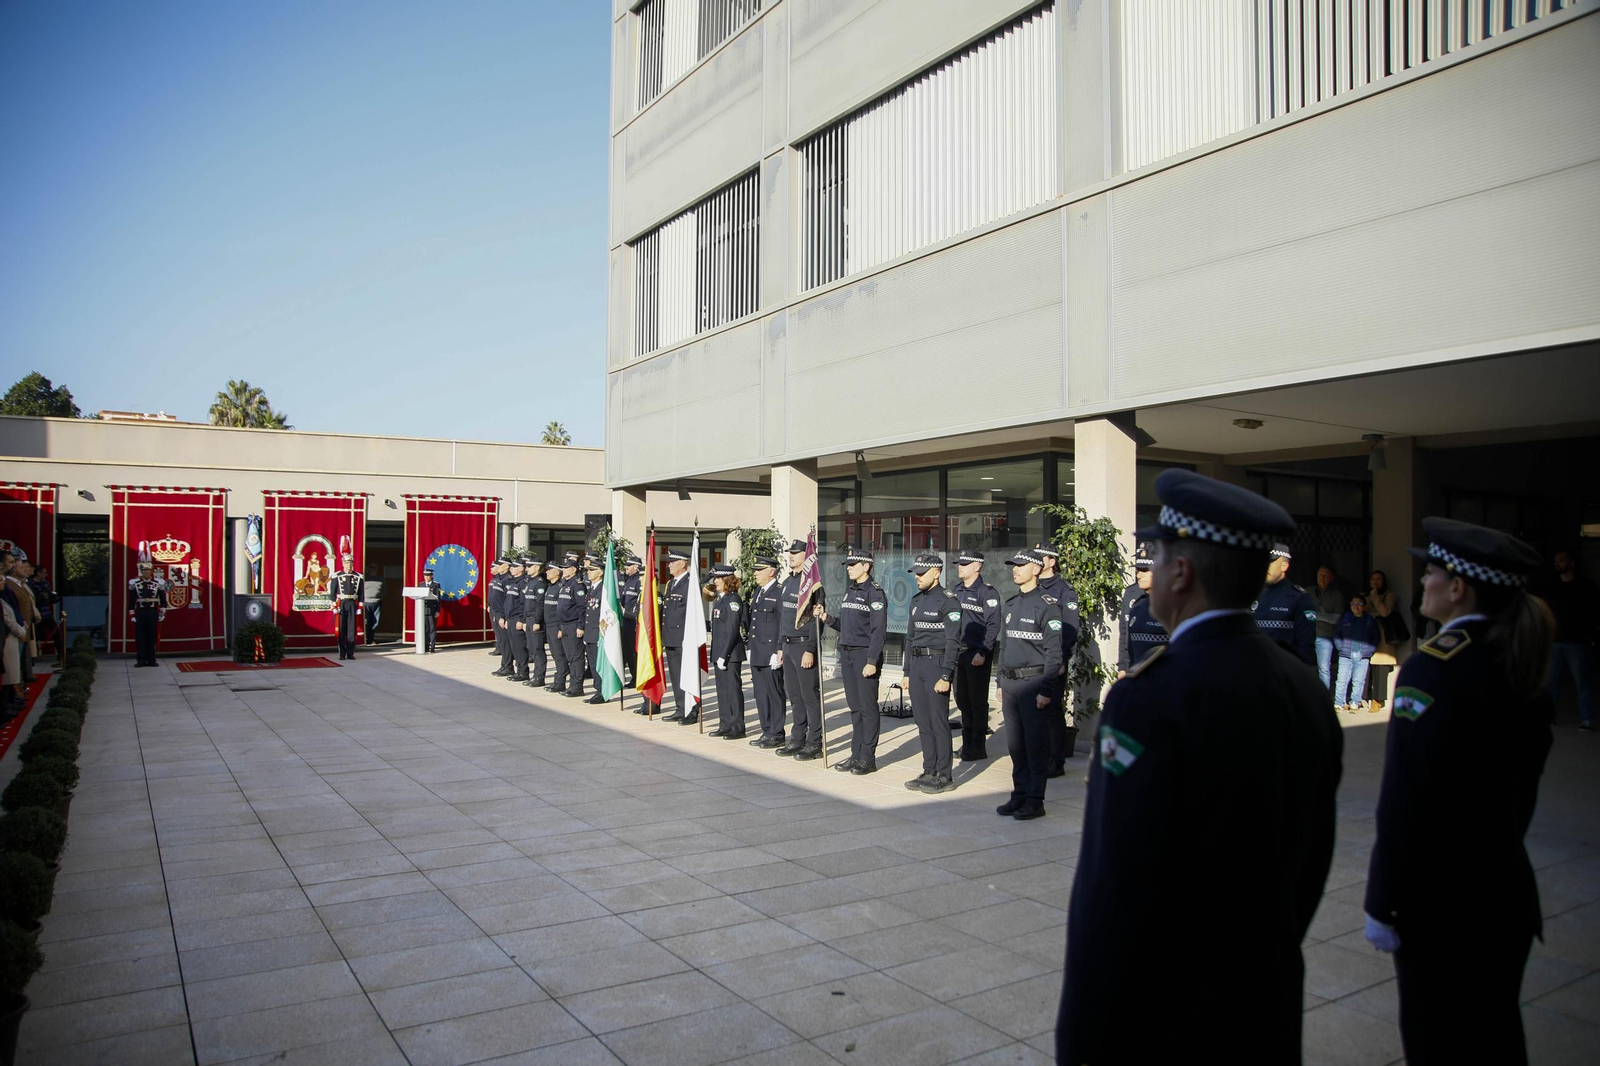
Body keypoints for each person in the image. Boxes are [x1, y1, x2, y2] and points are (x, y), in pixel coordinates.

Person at [1058, 469, 1342, 1063]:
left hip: (1167, 1013)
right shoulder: (1304, 689)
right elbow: (1311, 858)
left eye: (1156, 558)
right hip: (1264, 998)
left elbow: (1113, 886)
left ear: (1181, 573)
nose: (1149, 574)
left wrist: (1083, 1034)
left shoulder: (1149, 698)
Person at [1364, 517, 1554, 1064]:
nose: (1422, 581)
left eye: (1431, 572)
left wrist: (1381, 900)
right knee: (1496, 1037)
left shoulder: (1433, 671)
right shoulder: (1521, 666)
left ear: (1458, 588)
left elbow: (1404, 799)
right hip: (1504, 896)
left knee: (1439, 1044)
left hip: (1442, 910)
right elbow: (1518, 802)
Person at [993, 549, 1064, 819]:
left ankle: (1035, 800)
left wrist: (1046, 689)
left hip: (1033, 684)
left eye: (1021, 565)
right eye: (1014, 565)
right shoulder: (1011, 604)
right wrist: (999, 680)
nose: (1015, 569)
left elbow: (1054, 654)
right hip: (1010, 684)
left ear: (1036, 569)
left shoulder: (1047, 605)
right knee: (1016, 747)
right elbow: (1005, 646)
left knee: (1035, 746)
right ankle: (1019, 794)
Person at [815, 547, 888, 773]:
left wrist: (872, 660)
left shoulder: (874, 593)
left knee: (867, 709)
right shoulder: (850, 590)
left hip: (863, 655)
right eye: (848, 565)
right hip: (846, 654)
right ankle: (855, 754)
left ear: (866, 566)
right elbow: (845, 625)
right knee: (855, 708)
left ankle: (868, 758)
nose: (848, 569)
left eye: (853, 565)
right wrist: (826, 618)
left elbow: (878, 631)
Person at [901, 552, 962, 793]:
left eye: (922, 573)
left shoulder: (948, 601)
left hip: (937, 663)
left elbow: (953, 641)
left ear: (936, 573)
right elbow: (909, 638)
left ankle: (944, 775)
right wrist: (906, 671)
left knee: (938, 722)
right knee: (922, 722)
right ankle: (929, 770)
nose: (917, 577)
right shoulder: (916, 601)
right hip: (917, 665)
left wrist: (947, 675)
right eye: (915, 573)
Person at [1034, 544, 1082, 775]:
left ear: (1052, 561)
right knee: (1035, 712)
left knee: (1052, 710)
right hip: (1032, 660)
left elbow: (1070, 629)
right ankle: (1039, 756)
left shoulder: (1064, 590)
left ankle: (1056, 761)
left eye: (1040, 557)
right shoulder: (1033, 586)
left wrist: (1062, 659)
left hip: (1053, 660)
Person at [952, 550, 999, 762]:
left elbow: (993, 625)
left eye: (965, 564)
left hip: (976, 654)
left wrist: (983, 651)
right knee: (962, 700)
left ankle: (978, 747)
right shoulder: (957, 590)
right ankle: (967, 744)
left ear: (977, 566)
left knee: (977, 702)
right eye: (959, 564)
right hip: (959, 654)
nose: (960, 567)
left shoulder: (987, 593)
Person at [1544, 549, 1596, 730]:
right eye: (1555, 561)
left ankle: (1586, 718)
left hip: (1578, 641)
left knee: (1582, 683)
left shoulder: (1585, 586)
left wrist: (1590, 631)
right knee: (1551, 682)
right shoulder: (1552, 585)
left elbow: (1593, 609)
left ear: (1572, 563)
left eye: (1561, 560)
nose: (1557, 564)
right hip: (1556, 640)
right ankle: (1549, 716)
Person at [778, 539, 822, 754]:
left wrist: (810, 650)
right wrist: (780, 646)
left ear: (807, 556)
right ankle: (797, 738)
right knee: (794, 696)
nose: (791, 556)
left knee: (809, 697)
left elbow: (816, 621)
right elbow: (783, 617)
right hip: (788, 646)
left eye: (796, 553)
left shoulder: (812, 584)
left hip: (803, 646)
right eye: (790, 552)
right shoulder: (787, 582)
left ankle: (814, 742)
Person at [746, 555, 787, 746]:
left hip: (771, 652)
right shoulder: (758, 592)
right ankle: (766, 730)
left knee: (774, 694)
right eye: (755, 570)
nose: (755, 574)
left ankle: (777, 733)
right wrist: (749, 646)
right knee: (760, 694)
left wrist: (779, 649)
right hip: (757, 650)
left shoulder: (779, 592)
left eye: (759, 570)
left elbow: (782, 623)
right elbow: (753, 622)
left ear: (771, 572)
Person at [1254, 543, 1317, 665]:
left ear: (1284, 566)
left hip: (1283, 670)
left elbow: (1305, 646)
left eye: (1270, 563)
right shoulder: (1254, 594)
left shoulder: (1299, 598)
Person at [707, 563, 747, 737]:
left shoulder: (733, 600)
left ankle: (737, 727)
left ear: (728, 580)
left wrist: (724, 655)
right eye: (715, 578)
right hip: (719, 653)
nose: (716, 581)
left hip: (730, 654)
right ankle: (725, 724)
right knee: (722, 691)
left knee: (733, 691)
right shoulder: (721, 599)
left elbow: (731, 630)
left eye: (720, 578)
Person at [1117, 541, 1167, 675]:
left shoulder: (1171, 605)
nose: (1139, 575)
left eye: (1145, 570)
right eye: (1138, 570)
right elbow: (1126, 639)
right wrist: (1123, 668)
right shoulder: (1136, 606)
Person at [658, 547, 694, 722]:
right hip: (671, 637)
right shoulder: (671, 583)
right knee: (675, 675)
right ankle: (681, 708)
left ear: (683, 563)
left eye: (673, 562)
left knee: (686, 675)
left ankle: (691, 711)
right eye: (669, 562)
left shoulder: (690, 583)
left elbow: (691, 613)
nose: (669, 565)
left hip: (683, 638)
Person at [1333, 594, 1381, 711]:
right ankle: (1339, 703)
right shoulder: (1345, 618)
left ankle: (1355, 702)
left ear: (1364, 606)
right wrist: (1341, 647)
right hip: (1345, 654)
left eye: (1359, 604)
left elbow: (1376, 637)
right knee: (1341, 680)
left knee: (1358, 681)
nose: (1355, 606)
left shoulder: (1369, 620)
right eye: (1353, 604)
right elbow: (1337, 634)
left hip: (1362, 655)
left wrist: (1370, 650)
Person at [1365, 569, 1404, 711]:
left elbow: (1384, 612)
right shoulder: (1366, 596)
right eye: (1373, 579)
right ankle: (1364, 697)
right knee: (1365, 667)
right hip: (1367, 636)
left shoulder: (1390, 596)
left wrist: (1375, 598)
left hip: (1383, 637)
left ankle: (1378, 700)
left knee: (1381, 667)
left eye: (1378, 579)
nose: (1375, 582)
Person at [5, 550, 39, 682]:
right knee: (14, 664)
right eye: (21, 567)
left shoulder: (20, 584)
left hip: (23, 627)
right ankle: (15, 689)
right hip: (16, 629)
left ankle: (20, 685)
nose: (25, 570)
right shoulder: (8, 585)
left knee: (19, 661)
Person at [556, 555, 587, 698]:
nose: (563, 570)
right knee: (569, 656)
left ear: (574, 569)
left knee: (576, 657)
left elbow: (582, 607)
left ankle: (577, 687)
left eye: (566, 568)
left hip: (574, 625)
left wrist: (580, 626)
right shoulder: (565, 584)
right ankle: (572, 685)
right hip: (564, 625)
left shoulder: (577, 585)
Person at [1311, 564, 1345, 688]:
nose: (1322, 577)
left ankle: (1323, 696)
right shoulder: (1307, 592)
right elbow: (1300, 613)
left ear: (1331, 578)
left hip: (1325, 636)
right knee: (1302, 665)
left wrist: (1315, 615)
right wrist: (1326, 617)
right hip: (1306, 635)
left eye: (1325, 575)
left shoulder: (1337, 595)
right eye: (1320, 574)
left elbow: (1337, 619)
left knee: (1324, 668)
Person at [330, 546, 364, 660]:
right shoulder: (337, 576)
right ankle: (342, 653)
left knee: (351, 629)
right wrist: (334, 606)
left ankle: (350, 653)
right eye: (346, 562)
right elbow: (332, 593)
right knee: (341, 629)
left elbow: (361, 593)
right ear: (343, 563)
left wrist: (360, 606)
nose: (349, 565)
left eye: (350, 562)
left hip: (352, 604)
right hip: (341, 603)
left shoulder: (358, 577)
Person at [523, 559, 552, 686]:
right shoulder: (531, 582)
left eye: (529, 566)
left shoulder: (540, 583)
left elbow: (540, 604)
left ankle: (539, 677)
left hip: (535, 619)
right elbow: (526, 603)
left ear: (537, 567)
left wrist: (537, 621)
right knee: (532, 648)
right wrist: (524, 620)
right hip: (529, 618)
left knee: (538, 649)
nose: (527, 569)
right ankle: (535, 675)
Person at [543, 559, 570, 693]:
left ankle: (560, 682)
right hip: (549, 625)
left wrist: (560, 628)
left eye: (549, 570)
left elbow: (562, 610)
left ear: (557, 572)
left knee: (559, 655)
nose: (547, 572)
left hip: (556, 625)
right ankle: (558, 679)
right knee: (554, 654)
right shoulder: (550, 587)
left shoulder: (560, 587)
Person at [501, 559, 529, 682]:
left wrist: (521, 620)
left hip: (517, 618)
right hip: (510, 618)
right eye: (511, 567)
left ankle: (523, 672)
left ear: (521, 569)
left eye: (515, 567)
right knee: (514, 647)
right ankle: (518, 670)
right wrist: (506, 618)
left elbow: (523, 604)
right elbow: (507, 602)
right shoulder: (513, 582)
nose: (511, 569)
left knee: (520, 647)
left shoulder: (523, 583)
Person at [620, 555, 643, 685]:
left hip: (634, 621)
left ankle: (637, 677)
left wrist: (627, 612)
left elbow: (640, 603)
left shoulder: (638, 581)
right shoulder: (628, 580)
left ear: (636, 567)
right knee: (627, 651)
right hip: (625, 621)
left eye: (629, 565)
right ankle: (633, 676)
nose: (626, 567)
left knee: (634, 652)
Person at [487, 558, 509, 659]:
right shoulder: (496, 579)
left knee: (503, 634)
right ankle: (500, 648)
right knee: (497, 631)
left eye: (494, 567)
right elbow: (492, 594)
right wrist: (489, 604)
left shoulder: (506, 579)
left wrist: (502, 615)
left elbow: (506, 598)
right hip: (494, 608)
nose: (491, 568)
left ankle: (504, 652)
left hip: (501, 610)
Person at [420, 566, 442, 652]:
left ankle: (432, 647)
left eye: (428, 575)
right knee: (425, 629)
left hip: (432, 610)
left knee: (432, 629)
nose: (426, 577)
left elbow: (438, 599)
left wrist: (437, 610)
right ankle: (425, 646)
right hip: (423, 610)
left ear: (431, 576)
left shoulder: (436, 585)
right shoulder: (421, 585)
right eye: (425, 575)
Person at [362, 575, 384, 645]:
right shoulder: (365, 578)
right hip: (366, 602)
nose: (373, 569)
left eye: (375, 568)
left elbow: (384, 590)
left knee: (375, 622)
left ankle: (370, 639)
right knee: (366, 621)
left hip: (377, 602)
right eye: (372, 568)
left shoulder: (380, 579)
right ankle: (364, 639)